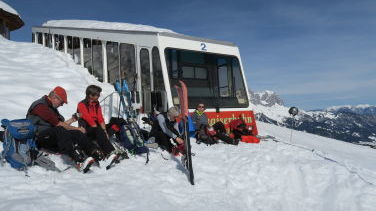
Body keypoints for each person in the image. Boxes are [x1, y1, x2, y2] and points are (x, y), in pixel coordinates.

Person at [26, 86, 102, 173]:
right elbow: (58, 125)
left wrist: (73, 120)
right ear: (54, 98)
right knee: (63, 130)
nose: (62, 105)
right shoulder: (40, 106)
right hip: (40, 138)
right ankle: (78, 160)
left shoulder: (52, 108)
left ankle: (94, 153)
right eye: (62, 102)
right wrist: (78, 128)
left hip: (52, 136)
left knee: (76, 133)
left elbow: (60, 126)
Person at [77, 85, 121, 166]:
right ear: (90, 95)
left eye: (99, 94)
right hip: (87, 129)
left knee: (119, 122)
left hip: (96, 128)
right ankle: (109, 152)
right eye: (97, 95)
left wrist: (105, 131)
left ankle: (120, 145)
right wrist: (102, 131)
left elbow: (100, 118)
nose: (99, 96)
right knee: (98, 130)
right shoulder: (81, 105)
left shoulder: (96, 104)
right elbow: (89, 119)